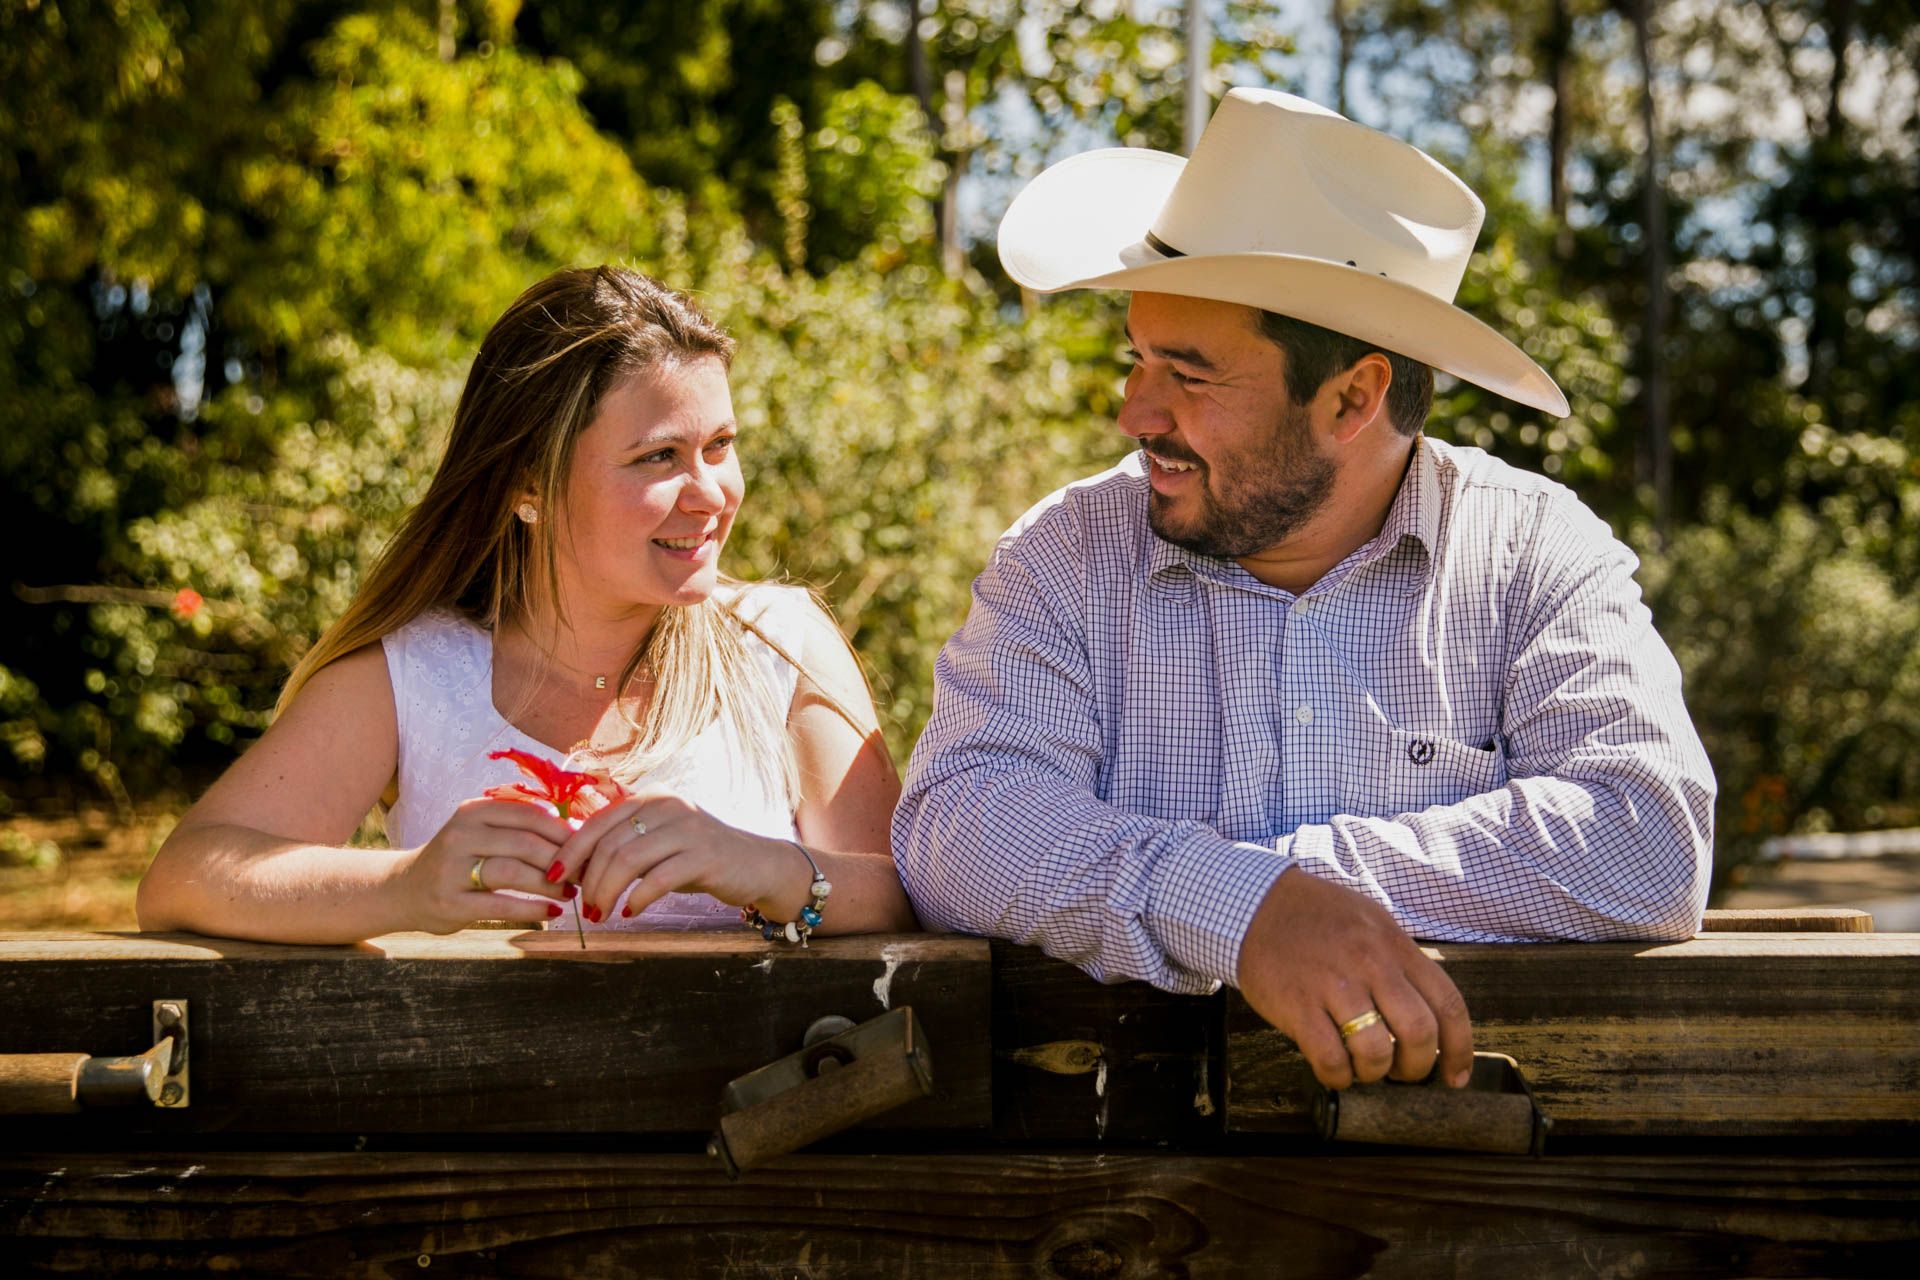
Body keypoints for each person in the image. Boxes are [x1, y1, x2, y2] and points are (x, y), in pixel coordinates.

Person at [893, 89, 1715, 1093]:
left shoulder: (1533, 549)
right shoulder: (1066, 553)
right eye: (1135, 359)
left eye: (1186, 375)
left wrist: (1293, 896)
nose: (1131, 412)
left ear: (1351, 398)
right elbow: (958, 823)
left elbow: (1643, 832)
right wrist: (1246, 906)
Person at [139, 266, 915, 944]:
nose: (711, 493)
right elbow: (184, 878)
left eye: (719, 445)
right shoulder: (414, 673)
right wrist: (404, 889)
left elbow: (911, 898)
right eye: (659, 458)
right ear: (527, 486)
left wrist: (765, 868)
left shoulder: (781, 645)